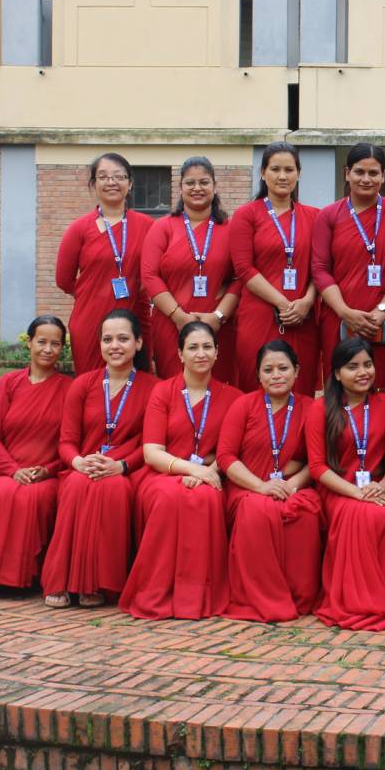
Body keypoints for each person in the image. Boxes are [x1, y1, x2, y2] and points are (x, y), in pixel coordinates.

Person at [118, 321, 244, 620]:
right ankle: (156, 590)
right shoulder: (163, 392)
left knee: (206, 498)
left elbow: (231, 451)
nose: (201, 353)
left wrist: (207, 472)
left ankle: (196, 596)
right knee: (167, 497)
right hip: (165, 473)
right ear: (180, 353)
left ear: (217, 352)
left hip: (212, 474)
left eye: (207, 347)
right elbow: (152, 452)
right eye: (193, 347)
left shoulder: (234, 398)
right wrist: (192, 470)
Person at [41, 310, 151, 608]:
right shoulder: (83, 384)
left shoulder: (154, 388)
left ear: (139, 343)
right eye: (107, 339)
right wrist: (78, 462)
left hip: (126, 470)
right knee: (76, 485)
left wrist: (121, 466)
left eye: (123, 339)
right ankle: (62, 580)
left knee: (112, 488)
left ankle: (98, 584)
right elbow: (66, 441)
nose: (114, 346)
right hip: (83, 466)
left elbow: (150, 444)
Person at [307, 337, 385, 630]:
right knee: (360, 513)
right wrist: (356, 492)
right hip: (339, 490)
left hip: (378, 488)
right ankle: (357, 601)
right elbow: (317, 467)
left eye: (368, 365)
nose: (363, 372)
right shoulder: (321, 409)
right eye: (353, 367)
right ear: (337, 373)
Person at [217, 341, 324, 622]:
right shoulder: (244, 405)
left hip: (291, 487)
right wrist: (261, 486)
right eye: (268, 370)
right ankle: (260, 596)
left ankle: (299, 596)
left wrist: (292, 485)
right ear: (258, 375)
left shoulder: (311, 408)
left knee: (305, 511)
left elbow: (317, 460)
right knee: (258, 509)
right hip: (247, 487)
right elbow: (226, 457)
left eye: (283, 368)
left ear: (297, 371)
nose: (276, 375)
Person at [0, 315, 71, 595]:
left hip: (48, 474)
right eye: (41, 342)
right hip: (7, 471)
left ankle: (25, 578)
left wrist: (48, 469)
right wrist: (13, 469)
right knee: (5, 494)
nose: (48, 349)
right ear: (29, 343)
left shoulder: (69, 388)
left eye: (55, 344)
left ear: (62, 348)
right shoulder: (8, 383)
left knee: (33, 497)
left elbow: (71, 442)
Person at [311, 143, 385, 394]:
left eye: (373, 173)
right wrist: (344, 312)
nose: (366, 179)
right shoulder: (329, 215)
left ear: (383, 176)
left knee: (381, 387)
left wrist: (383, 309)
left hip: (384, 318)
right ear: (347, 173)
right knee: (340, 388)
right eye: (359, 172)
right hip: (338, 317)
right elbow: (320, 269)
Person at [231, 143, 322, 391]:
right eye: (275, 169)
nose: (282, 176)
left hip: (302, 316)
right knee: (257, 386)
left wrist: (307, 302)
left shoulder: (314, 216)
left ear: (299, 173)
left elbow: (320, 267)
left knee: (300, 387)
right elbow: (243, 268)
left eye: (289, 170)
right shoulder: (246, 214)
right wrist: (282, 303)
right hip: (260, 313)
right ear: (263, 173)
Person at [54, 153, 155, 374]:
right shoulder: (79, 229)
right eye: (103, 177)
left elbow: (157, 271)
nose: (111, 182)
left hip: (135, 314)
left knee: (138, 381)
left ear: (130, 183)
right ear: (93, 184)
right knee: (92, 382)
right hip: (91, 318)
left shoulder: (148, 226)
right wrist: (95, 293)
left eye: (119, 176)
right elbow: (63, 279)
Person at [141, 156, 240, 382]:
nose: (197, 188)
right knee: (174, 386)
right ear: (180, 187)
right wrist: (178, 316)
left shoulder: (231, 229)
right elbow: (149, 276)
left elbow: (241, 277)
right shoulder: (162, 227)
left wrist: (218, 316)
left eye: (204, 182)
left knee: (218, 388)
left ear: (214, 186)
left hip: (217, 325)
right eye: (190, 183)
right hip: (171, 323)